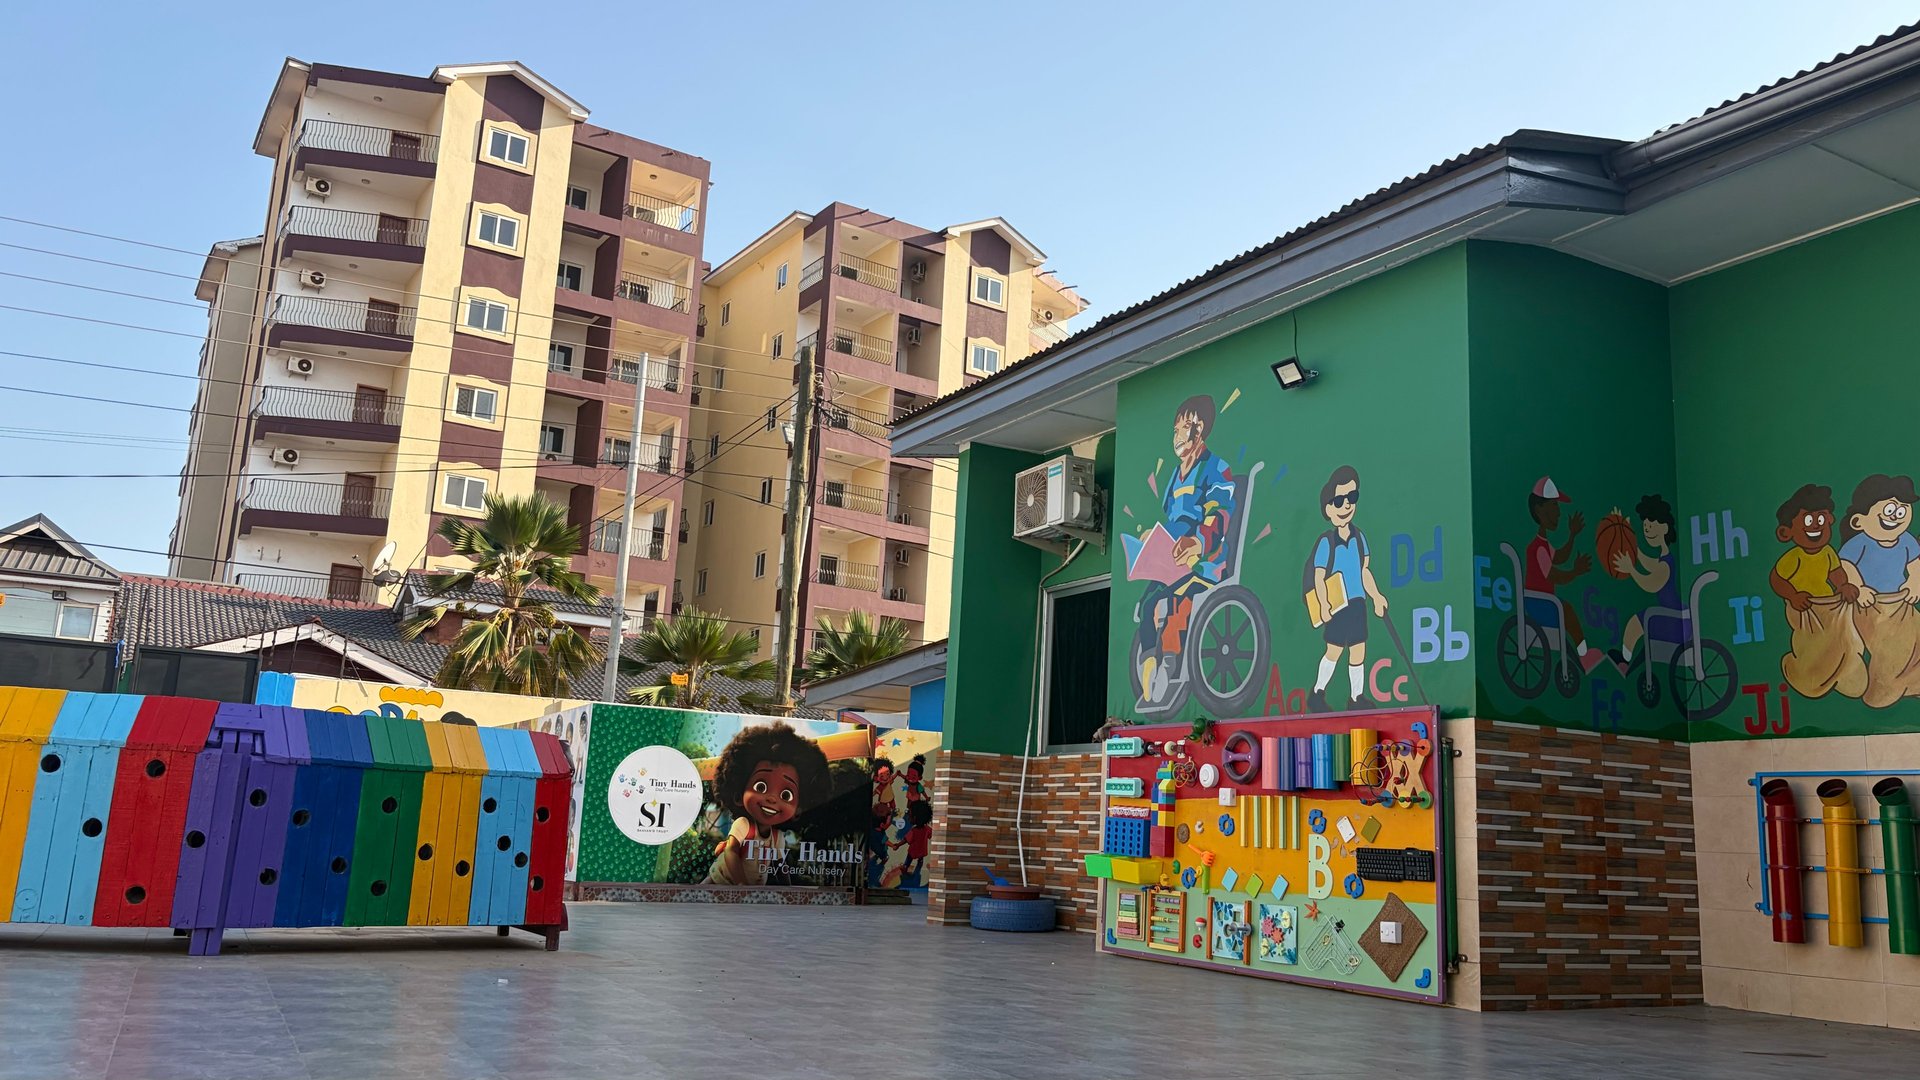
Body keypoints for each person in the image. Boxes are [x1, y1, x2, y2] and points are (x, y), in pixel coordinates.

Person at [1136, 395, 1239, 703]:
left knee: (1172, 603)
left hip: (1203, 561)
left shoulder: (1216, 468)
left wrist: (1199, 542)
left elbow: (1219, 514)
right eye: (1175, 428)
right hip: (1171, 560)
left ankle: (1166, 665)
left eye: (1184, 426)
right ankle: (1151, 665)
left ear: (1200, 428)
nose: (1177, 435)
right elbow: (1172, 519)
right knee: (1146, 606)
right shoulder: (1175, 474)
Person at [704, 724, 830, 886]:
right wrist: (741, 884)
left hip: (752, 890)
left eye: (786, 795)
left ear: (798, 808)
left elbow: (780, 866)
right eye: (760, 787)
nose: (771, 798)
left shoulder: (777, 838)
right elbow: (731, 851)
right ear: (738, 795)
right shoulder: (743, 825)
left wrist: (788, 889)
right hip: (720, 879)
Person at [1307, 466, 1387, 711]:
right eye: (1339, 500)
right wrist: (1324, 605)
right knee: (1334, 650)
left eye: (1351, 498)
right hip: (1337, 603)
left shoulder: (1359, 537)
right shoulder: (1326, 542)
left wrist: (1376, 597)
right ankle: (1318, 692)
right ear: (1328, 509)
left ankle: (1356, 697)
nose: (1346, 506)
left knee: (1358, 650)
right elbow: (1319, 576)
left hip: (1357, 603)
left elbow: (1365, 571)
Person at [1522, 476, 1604, 673]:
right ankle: (1584, 655)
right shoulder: (1537, 547)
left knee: (1565, 608)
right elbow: (1553, 575)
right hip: (1539, 603)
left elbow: (1559, 556)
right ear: (1539, 510)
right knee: (1566, 609)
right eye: (1554, 505)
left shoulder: (1544, 544)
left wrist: (1572, 535)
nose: (1559, 512)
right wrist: (1575, 571)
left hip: (1544, 602)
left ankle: (1583, 654)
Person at [1608, 494, 1685, 674]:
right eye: (1645, 526)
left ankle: (1625, 661)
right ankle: (1626, 660)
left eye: (1651, 525)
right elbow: (1648, 561)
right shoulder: (1663, 559)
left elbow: (1651, 584)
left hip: (1671, 619)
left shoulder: (1665, 565)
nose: (1647, 529)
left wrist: (1631, 569)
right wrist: (1628, 537)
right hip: (1670, 613)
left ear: (1664, 528)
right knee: (1639, 620)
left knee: (1636, 622)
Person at [1770, 484, 1858, 612]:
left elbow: (1835, 572)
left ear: (1829, 520)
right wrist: (1793, 596)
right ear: (1785, 533)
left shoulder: (1827, 551)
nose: (1816, 525)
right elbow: (1777, 579)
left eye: (1821, 519)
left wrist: (1843, 586)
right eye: (1808, 520)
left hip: (1826, 601)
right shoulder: (1794, 557)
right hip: (1801, 606)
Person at [1839, 474, 1920, 604]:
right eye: (1889, 510)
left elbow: (1915, 565)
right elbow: (1846, 565)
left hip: (1897, 600)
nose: (1894, 517)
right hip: (1867, 602)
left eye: (1901, 512)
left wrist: (1915, 582)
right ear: (1858, 521)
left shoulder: (1907, 541)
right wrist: (1859, 588)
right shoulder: (1859, 543)